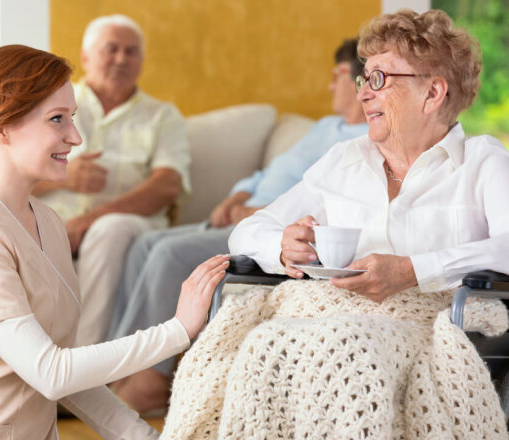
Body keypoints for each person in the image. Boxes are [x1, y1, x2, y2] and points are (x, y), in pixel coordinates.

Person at [163, 10, 509, 438]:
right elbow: (249, 231)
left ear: (433, 92)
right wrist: (282, 247)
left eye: (379, 79)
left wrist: (411, 270)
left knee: (345, 344)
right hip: (326, 313)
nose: (363, 94)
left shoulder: (482, 163)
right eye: (364, 79)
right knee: (261, 343)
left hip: (428, 328)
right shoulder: (343, 161)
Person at [0, 45, 228, 440]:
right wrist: (176, 331)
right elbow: (50, 373)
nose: (75, 137)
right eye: (57, 119)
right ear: (0, 127)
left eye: (72, 118)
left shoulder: (49, 223)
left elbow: (69, 376)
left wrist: (143, 436)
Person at [108, 38, 368, 413]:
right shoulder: (326, 127)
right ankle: (124, 367)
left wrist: (255, 213)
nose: (329, 85)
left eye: (336, 76)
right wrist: (236, 197)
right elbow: (268, 173)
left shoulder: (359, 144)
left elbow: (322, 204)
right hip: (242, 213)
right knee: (144, 244)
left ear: (354, 77)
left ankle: (150, 376)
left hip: (263, 224)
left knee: (167, 253)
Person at [34, 14, 192, 347]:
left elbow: (168, 185)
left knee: (109, 229)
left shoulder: (163, 116)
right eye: (111, 49)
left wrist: (88, 221)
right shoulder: (47, 105)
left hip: (129, 227)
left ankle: (82, 368)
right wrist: (64, 178)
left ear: (141, 62)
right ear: (86, 57)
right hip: (51, 220)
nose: (121, 59)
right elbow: (11, 170)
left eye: (131, 52)